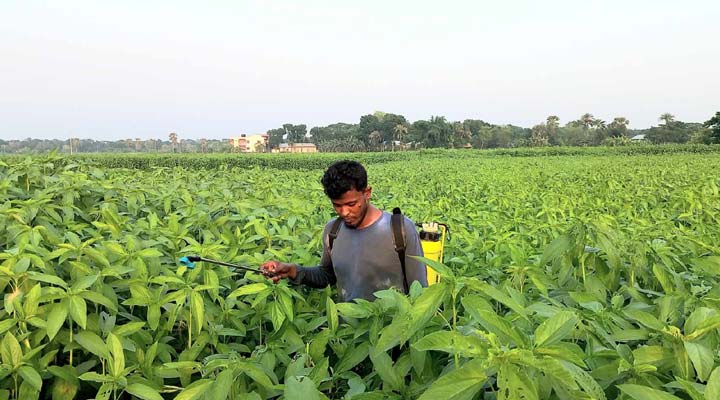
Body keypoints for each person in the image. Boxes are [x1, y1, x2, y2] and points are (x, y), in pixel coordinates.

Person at [261, 160, 427, 302]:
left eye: (351, 204)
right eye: (337, 205)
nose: (344, 212)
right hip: (347, 334)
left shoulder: (400, 230)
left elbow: (419, 290)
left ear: (367, 193)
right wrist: (293, 270)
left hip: (391, 335)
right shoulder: (333, 231)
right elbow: (327, 275)